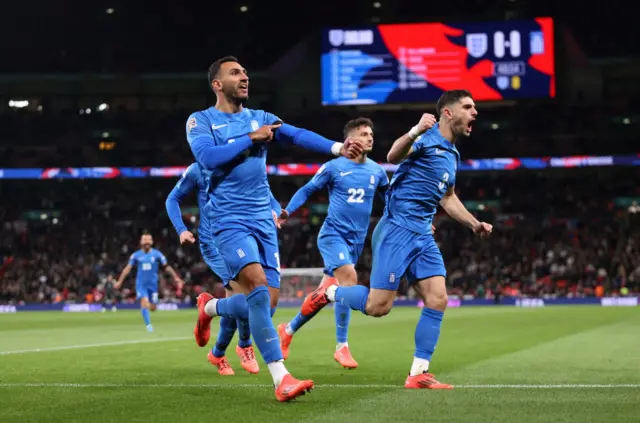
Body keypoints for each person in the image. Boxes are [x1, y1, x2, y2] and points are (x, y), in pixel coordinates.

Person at [186, 56, 364, 401]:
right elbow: (207, 159)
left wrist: (338, 147)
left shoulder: (262, 118)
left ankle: (210, 307)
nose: (244, 77)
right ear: (217, 84)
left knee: (264, 305)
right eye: (235, 73)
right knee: (254, 286)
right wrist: (252, 138)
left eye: (246, 72)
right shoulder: (201, 120)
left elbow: (296, 135)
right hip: (228, 220)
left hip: (262, 223)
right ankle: (281, 378)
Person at [298, 90, 493, 389]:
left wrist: (474, 224)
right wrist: (416, 129)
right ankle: (329, 294)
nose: (474, 112)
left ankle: (418, 373)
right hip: (397, 230)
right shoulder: (425, 140)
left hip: (422, 234)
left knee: (438, 298)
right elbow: (392, 156)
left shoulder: (452, 155)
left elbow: (448, 197)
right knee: (379, 307)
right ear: (448, 114)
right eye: (468, 106)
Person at [276, 117, 388, 369]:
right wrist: (287, 211)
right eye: (363, 133)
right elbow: (306, 189)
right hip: (332, 236)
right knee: (349, 279)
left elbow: (390, 200)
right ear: (351, 139)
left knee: (324, 295)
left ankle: (288, 330)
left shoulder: (377, 171)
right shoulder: (334, 167)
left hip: (356, 242)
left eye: (371, 133)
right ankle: (342, 347)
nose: (370, 137)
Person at [166, 162, 282, 376]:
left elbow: (270, 197)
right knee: (250, 294)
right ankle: (244, 345)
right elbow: (172, 199)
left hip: (244, 237)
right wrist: (181, 230)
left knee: (246, 299)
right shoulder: (199, 169)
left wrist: (275, 211)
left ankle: (217, 348)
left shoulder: (247, 164)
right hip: (215, 242)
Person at [115, 234, 184, 332]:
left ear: (152, 242)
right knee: (144, 302)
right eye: (144, 239)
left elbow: (167, 267)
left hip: (153, 285)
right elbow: (127, 268)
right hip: (141, 284)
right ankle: (148, 326)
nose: (147, 241)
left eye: (148, 239)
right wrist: (120, 281)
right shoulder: (136, 255)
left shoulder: (157, 254)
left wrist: (176, 278)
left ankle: (148, 311)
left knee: (153, 308)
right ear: (141, 242)